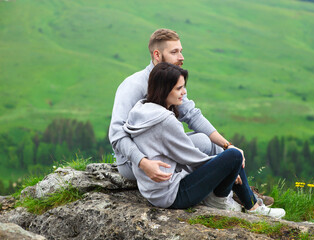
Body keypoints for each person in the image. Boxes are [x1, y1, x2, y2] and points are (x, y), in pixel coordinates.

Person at [108, 28, 274, 207]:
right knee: (225, 158)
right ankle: (238, 199)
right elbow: (117, 134)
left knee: (210, 143)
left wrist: (228, 145)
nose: (181, 57)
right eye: (174, 52)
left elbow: (193, 115)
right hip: (134, 162)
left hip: (160, 150)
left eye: (181, 51)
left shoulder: (170, 81)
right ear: (157, 55)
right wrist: (143, 162)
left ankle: (246, 198)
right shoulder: (133, 85)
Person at [122, 62, 285, 218]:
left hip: (154, 190)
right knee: (234, 155)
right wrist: (228, 168)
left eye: (183, 87)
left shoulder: (141, 108)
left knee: (208, 142)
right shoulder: (165, 121)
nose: (184, 92)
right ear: (164, 90)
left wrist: (223, 165)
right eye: (179, 88)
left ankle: (246, 202)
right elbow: (191, 158)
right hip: (172, 195)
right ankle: (243, 206)